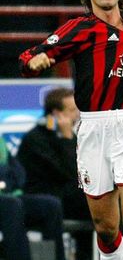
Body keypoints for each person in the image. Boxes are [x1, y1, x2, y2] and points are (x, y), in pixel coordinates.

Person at [18, 0, 123, 260]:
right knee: (106, 227)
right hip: (93, 129)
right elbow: (29, 57)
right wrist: (36, 61)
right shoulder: (78, 29)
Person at [17, 87, 93, 259]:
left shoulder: (69, 136)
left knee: (96, 197)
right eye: (72, 110)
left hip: (65, 196)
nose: (77, 115)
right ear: (57, 114)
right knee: (88, 198)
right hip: (42, 197)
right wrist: (67, 139)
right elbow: (71, 172)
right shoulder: (36, 139)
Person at [0, 137, 66, 260]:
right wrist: (6, 179)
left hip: (9, 195)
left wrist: (6, 181)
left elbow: (18, 173)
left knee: (51, 205)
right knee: (13, 206)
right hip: (8, 201)